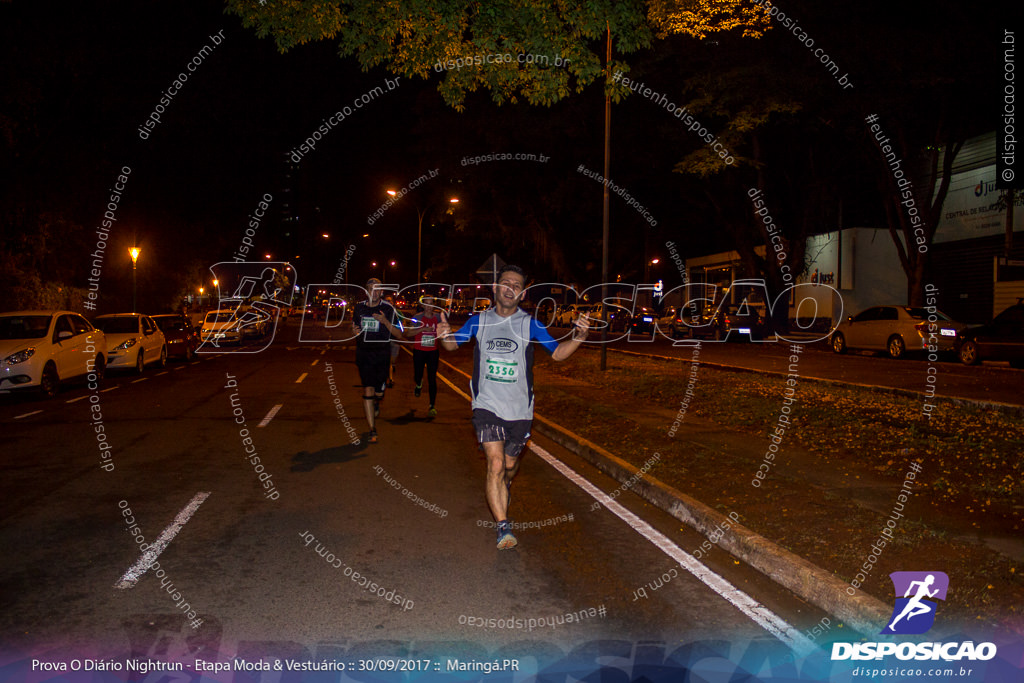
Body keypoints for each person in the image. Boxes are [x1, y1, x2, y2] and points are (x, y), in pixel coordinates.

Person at [438, 265, 590, 549]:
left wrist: (579, 336)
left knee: (508, 465)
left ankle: (504, 482)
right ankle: (503, 527)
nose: (510, 288)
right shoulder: (479, 321)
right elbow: (451, 346)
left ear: (521, 294)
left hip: (520, 410)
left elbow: (557, 354)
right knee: (495, 464)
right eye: (505, 283)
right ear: (495, 289)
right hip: (487, 405)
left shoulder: (530, 324)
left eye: (516, 285)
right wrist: (445, 334)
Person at [351, 278, 403, 443]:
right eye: (371, 289)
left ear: (381, 292)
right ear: (366, 291)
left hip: (381, 354)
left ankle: (378, 400)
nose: (374, 292)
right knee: (367, 389)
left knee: (378, 392)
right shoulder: (359, 308)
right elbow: (356, 327)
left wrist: (385, 322)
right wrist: (354, 331)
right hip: (364, 353)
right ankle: (372, 429)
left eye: (377, 289)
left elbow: (399, 334)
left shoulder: (388, 309)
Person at [405, 296, 442, 416]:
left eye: (431, 304)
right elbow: (408, 333)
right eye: (426, 304)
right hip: (419, 351)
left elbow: (445, 331)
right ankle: (418, 384)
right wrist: (423, 329)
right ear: (423, 306)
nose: (429, 307)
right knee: (418, 375)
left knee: (432, 379)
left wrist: (442, 332)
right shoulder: (417, 318)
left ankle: (432, 406)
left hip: (433, 351)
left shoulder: (438, 317)